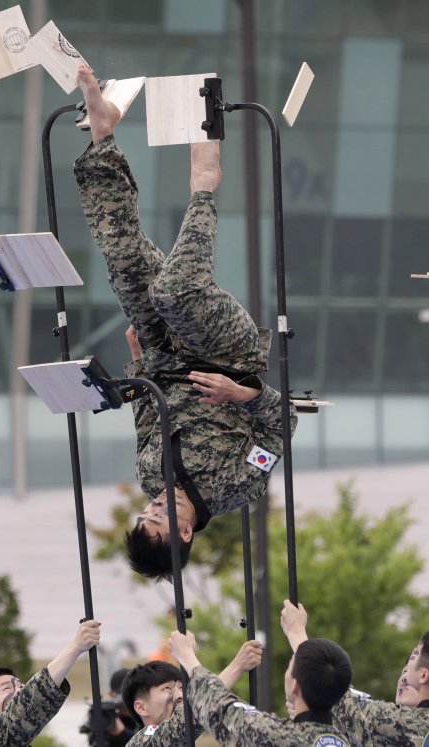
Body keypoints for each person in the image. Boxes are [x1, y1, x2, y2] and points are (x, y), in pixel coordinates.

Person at [73, 65, 297, 581]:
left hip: (164, 356)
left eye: (146, 512)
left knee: (124, 264)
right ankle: (204, 185)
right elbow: (282, 424)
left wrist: (138, 363)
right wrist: (241, 394)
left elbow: (146, 413)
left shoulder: (149, 475)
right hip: (227, 355)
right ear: (186, 532)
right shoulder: (238, 487)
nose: (154, 504)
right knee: (173, 293)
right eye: (159, 517)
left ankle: (102, 137)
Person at [281, 601, 429, 747]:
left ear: (424, 676)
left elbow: (338, 694)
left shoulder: (400, 722)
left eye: (415, 655)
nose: (408, 664)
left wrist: (296, 633)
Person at [168, 628, 357, 747]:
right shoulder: (350, 737)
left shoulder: (279, 736)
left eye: (290, 666)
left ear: (295, 686)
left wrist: (187, 657)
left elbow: (222, 708)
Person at [0, 619, 101, 747]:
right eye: (7, 688)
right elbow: (20, 715)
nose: (20, 691)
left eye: (21, 686)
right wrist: (75, 647)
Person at [123, 639, 263, 746]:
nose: (180, 695)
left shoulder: (182, 739)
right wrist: (237, 666)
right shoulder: (142, 743)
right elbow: (187, 719)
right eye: (167, 689)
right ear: (141, 707)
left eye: (181, 688)